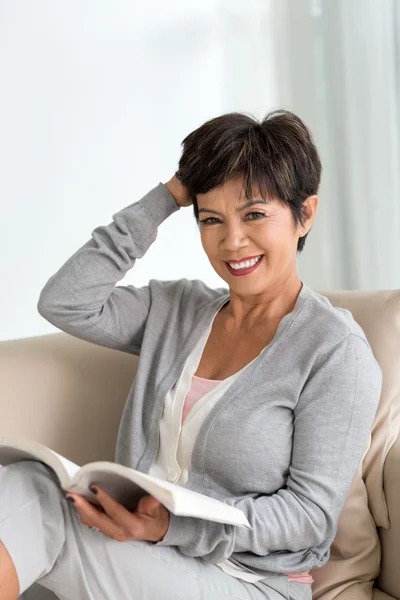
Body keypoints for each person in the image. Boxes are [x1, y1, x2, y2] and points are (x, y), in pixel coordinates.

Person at [0, 109, 382, 600]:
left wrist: (170, 527)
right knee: (17, 489)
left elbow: (309, 516)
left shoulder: (334, 351)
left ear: (304, 214)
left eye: (254, 214)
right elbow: (66, 301)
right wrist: (170, 195)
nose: (232, 240)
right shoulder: (176, 310)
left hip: (249, 583)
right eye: (211, 219)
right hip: (140, 553)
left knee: (34, 507)